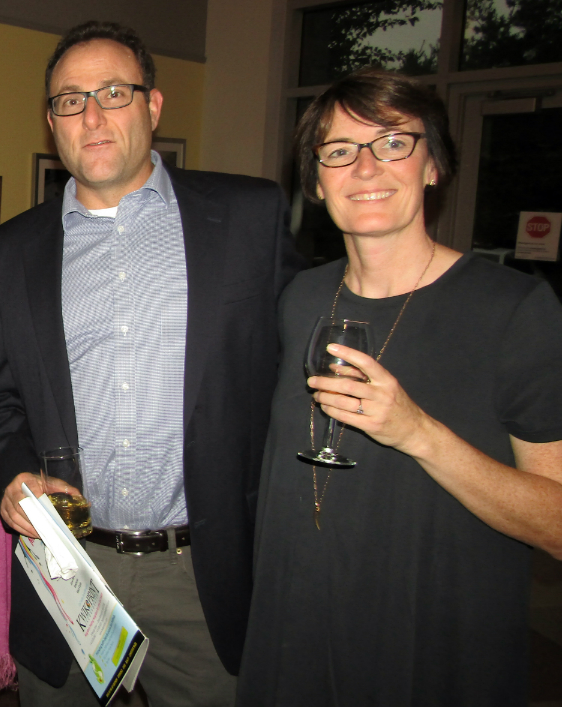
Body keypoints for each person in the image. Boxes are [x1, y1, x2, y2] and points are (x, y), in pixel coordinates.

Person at [0, 21, 303, 706]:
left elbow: (298, 368)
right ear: (51, 121)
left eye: (113, 93)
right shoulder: (11, 250)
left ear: (153, 107)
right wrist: (10, 474)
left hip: (203, 577)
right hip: (68, 568)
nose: (91, 116)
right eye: (70, 99)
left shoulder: (247, 217)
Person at [237, 67, 562, 706]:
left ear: (434, 164)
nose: (364, 169)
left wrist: (418, 433)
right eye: (339, 151)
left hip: (431, 654)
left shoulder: (518, 310)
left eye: (392, 143)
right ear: (316, 180)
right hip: (294, 640)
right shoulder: (299, 297)